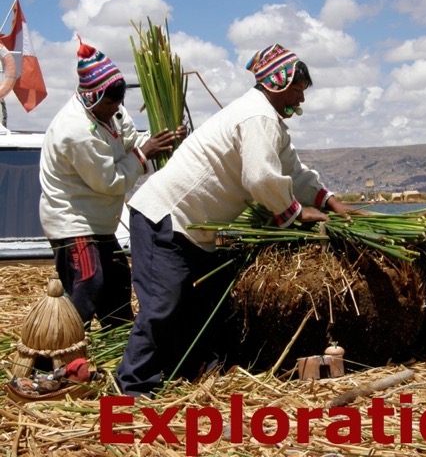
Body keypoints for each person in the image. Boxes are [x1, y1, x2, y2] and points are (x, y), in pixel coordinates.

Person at [116, 43, 358, 397]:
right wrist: (293, 212)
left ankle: (189, 369)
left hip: (192, 229)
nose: (301, 102)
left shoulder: (268, 121)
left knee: (205, 301)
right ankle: (132, 391)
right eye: (297, 91)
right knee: (161, 306)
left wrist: (330, 200)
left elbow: (292, 170)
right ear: (278, 85)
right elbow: (261, 178)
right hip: (165, 217)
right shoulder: (257, 116)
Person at [39, 38, 183, 329]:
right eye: (110, 102)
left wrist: (163, 139)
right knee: (89, 284)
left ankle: (118, 347)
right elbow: (110, 181)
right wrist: (144, 155)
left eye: (119, 101)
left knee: (117, 282)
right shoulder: (75, 130)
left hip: (101, 220)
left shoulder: (113, 109)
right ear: (92, 97)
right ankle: (57, 352)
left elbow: (132, 142)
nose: (116, 108)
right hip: (73, 220)